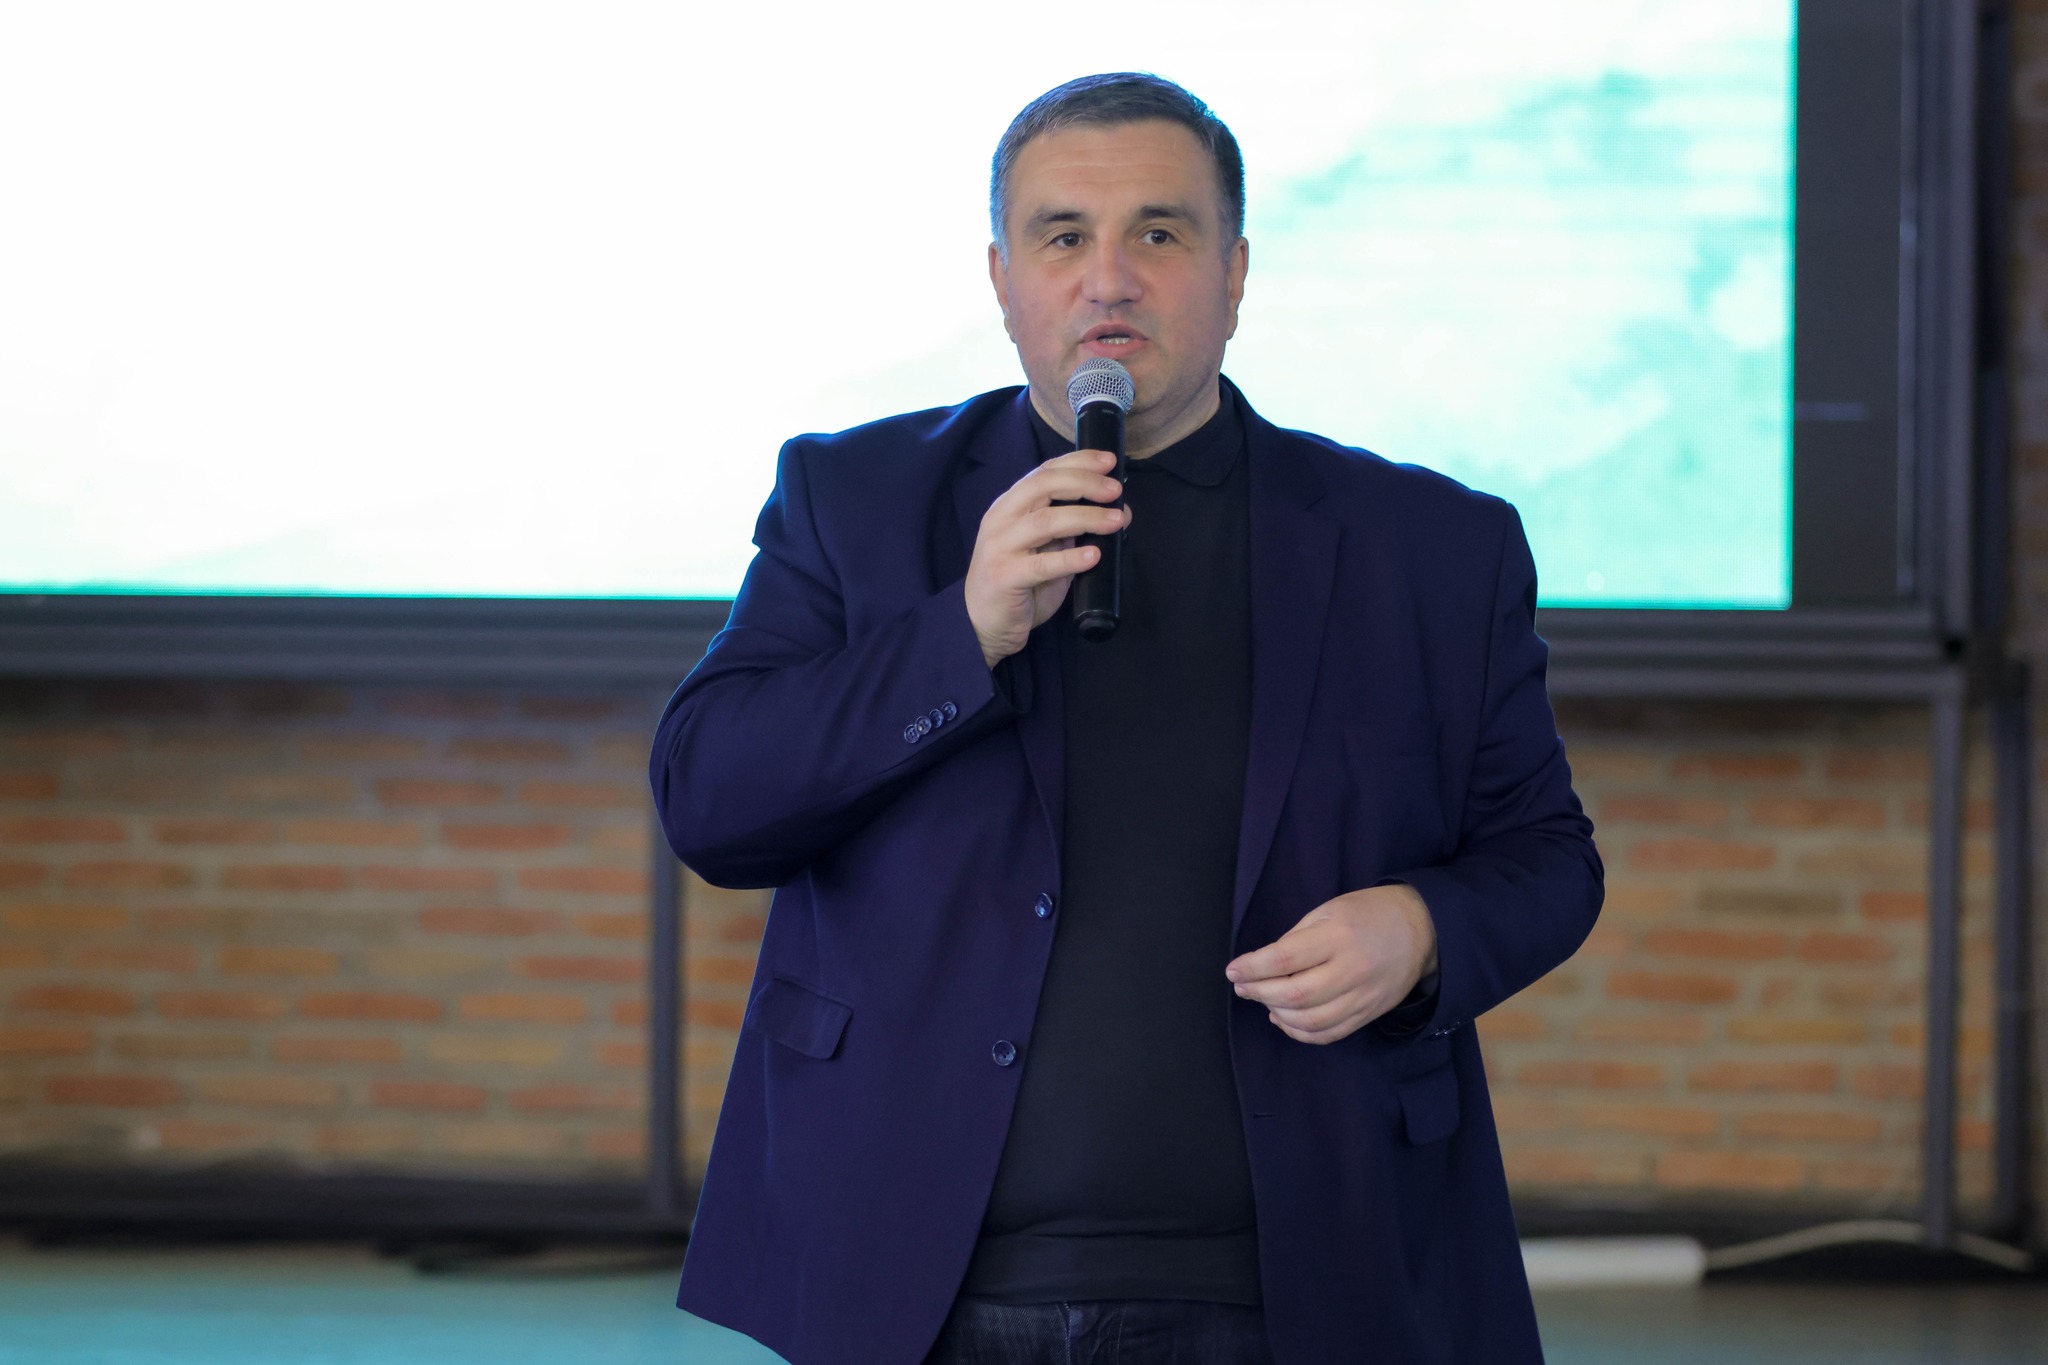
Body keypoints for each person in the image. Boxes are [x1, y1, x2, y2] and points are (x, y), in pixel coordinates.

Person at [650, 72, 1603, 1365]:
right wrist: (959, 631)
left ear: (1236, 271)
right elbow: (713, 800)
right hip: (913, 1276)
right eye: (1063, 237)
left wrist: (1425, 929)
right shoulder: (854, 499)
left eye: (1159, 232)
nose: (1110, 279)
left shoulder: (1430, 546)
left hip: (1301, 1276)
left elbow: (1548, 859)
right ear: (1002, 280)